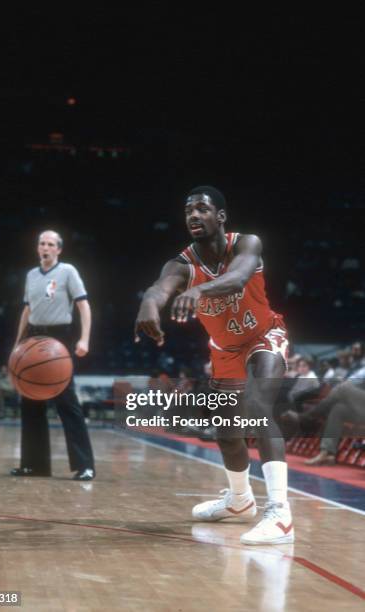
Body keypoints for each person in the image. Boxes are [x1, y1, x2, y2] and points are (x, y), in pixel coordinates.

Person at [135, 186, 293, 545]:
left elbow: (238, 277)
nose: (193, 215)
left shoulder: (246, 243)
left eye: (202, 209)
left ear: (220, 216)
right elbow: (161, 288)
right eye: (188, 210)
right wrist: (148, 305)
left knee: (257, 406)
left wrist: (198, 292)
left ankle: (280, 513)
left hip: (264, 336)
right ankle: (239, 502)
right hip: (224, 349)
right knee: (226, 433)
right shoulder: (181, 264)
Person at [10, 230, 95, 481]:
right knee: (30, 401)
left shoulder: (68, 271)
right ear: (38, 248)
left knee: (68, 404)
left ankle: (84, 465)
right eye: (42, 243)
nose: (45, 247)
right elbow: (27, 310)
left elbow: (84, 306)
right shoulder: (31, 275)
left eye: (50, 244)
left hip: (59, 339)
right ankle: (34, 465)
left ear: (58, 249)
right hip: (33, 337)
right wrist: (17, 344)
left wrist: (84, 339)